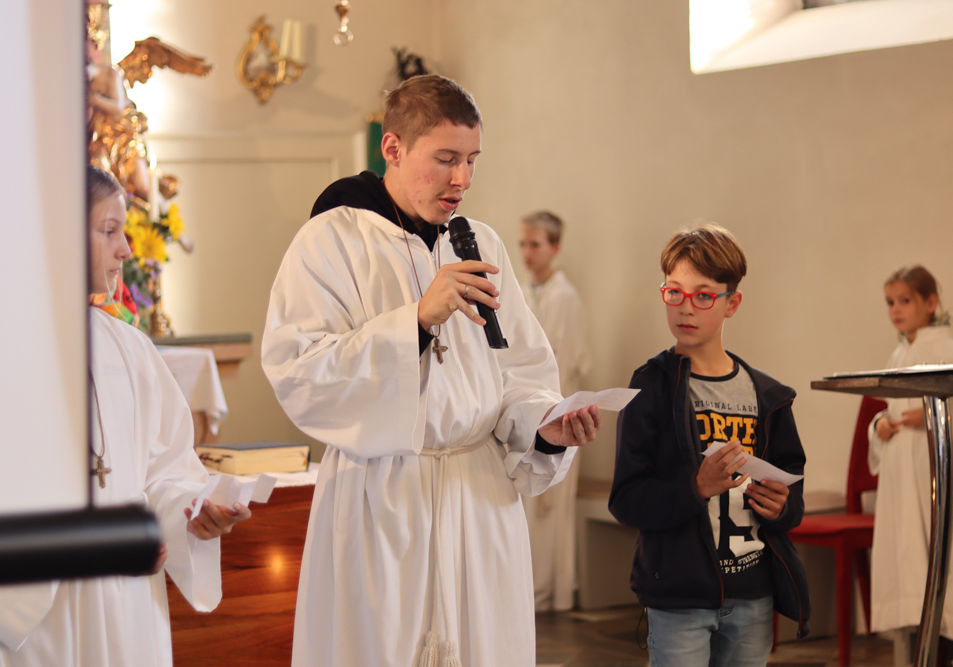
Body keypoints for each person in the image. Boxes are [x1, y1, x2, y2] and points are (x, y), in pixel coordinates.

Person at [262, 74, 601, 667]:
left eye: (472, 160)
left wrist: (544, 425)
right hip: (382, 500)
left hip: (480, 501)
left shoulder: (481, 243)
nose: (462, 179)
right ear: (393, 148)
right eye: (446, 159)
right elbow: (300, 372)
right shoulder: (331, 241)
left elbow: (520, 373)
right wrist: (415, 322)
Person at [0, 166, 249, 667]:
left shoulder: (132, 349)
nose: (126, 250)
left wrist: (191, 515)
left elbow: (165, 473)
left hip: (125, 606)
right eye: (109, 231)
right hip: (35, 615)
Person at [608, 224, 810, 667]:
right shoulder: (651, 387)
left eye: (703, 295)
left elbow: (792, 496)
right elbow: (625, 500)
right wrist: (695, 487)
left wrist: (782, 506)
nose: (686, 307)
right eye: (674, 292)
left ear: (731, 303)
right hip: (679, 596)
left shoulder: (769, 396)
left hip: (753, 594)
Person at [868, 265, 953, 662]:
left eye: (905, 300)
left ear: (930, 302)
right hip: (901, 470)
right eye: (890, 302)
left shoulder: (946, 347)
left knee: (937, 550)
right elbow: (889, 409)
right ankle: (910, 650)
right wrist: (880, 425)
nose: (895, 310)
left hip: (932, 466)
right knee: (905, 559)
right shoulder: (899, 353)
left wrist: (937, 415)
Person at [517, 210, 591, 612]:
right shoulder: (524, 292)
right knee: (528, 509)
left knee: (549, 508)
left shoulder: (563, 297)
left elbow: (564, 361)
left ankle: (546, 594)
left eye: (535, 244)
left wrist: (549, 413)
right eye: (522, 244)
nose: (527, 252)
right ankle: (528, 590)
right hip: (527, 411)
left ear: (555, 248)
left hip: (556, 414)